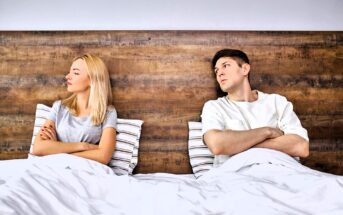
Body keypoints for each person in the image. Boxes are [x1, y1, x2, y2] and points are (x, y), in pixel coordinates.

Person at [201, 49, 309, 167]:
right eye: (216, 71)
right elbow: (217, 145)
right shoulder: (214, 107)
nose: (219, 73)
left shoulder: (277, 102)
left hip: (281, 172)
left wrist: (235, 145)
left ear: (245, 69)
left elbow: (301, 147)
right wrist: (268, 131)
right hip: (235, 175)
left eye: (225, 66)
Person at [32, 54, 117, 165]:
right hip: (55, 168)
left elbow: (103, 156)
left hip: (87, 171)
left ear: (93, 80)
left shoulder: (108, 113)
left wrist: (56, 149)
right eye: (70, 72)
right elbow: (38, 148)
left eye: (75, 73)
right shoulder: (59, 107)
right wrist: (83, 146)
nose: (68, 76)